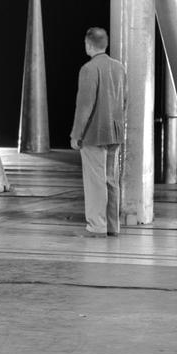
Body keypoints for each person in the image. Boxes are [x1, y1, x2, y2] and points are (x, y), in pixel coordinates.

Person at [70, 26, 126, 237]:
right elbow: (124, 100)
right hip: (115, 133)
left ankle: (96, 227)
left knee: (95, 182)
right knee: (111, 180)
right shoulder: (119, 68)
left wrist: (76, 134)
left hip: (94, 134)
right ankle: (112, 226)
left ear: (89, 45)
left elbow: (84, 106)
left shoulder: (89, 69)